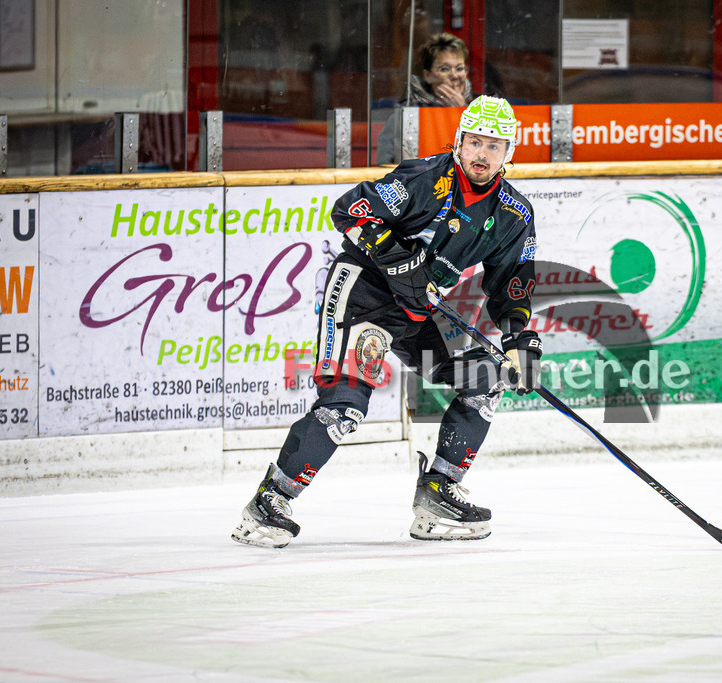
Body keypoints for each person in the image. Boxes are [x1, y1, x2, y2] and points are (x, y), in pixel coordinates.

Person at [232, 95, 541, 548]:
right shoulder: (423, 180)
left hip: (419, 310)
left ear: (509, 152)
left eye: (494, 146)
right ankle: (270, 500)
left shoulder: (514, 214)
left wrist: (519, 337)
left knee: (485, 377)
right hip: (365, 297)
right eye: (474, 141)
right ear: (458, 141)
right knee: (346, 406)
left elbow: (511, 284)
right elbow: (349, 210)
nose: (481, 154)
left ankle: (438, 491)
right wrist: (396, 258)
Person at [376, 32, 474, 165]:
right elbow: (384, 164)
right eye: (444, 69)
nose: (455, 75)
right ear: (428, 75)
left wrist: (462, 111)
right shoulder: (408, 114)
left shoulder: (480, 110)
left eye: (459, 68)